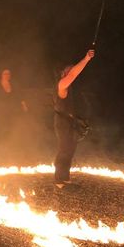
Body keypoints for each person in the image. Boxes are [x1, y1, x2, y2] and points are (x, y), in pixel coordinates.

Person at [53, 49, 95, 189]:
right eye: (70, 71)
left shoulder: (71, 88)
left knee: (70, 150)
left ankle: (65, 178)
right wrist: (86, 59)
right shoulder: (62, 85)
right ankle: (58, 180)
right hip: (62, 122)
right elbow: (73, 74)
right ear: (64, 73)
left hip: (70, 122)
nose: (73, 73)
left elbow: (74, 74)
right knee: (64, 149)